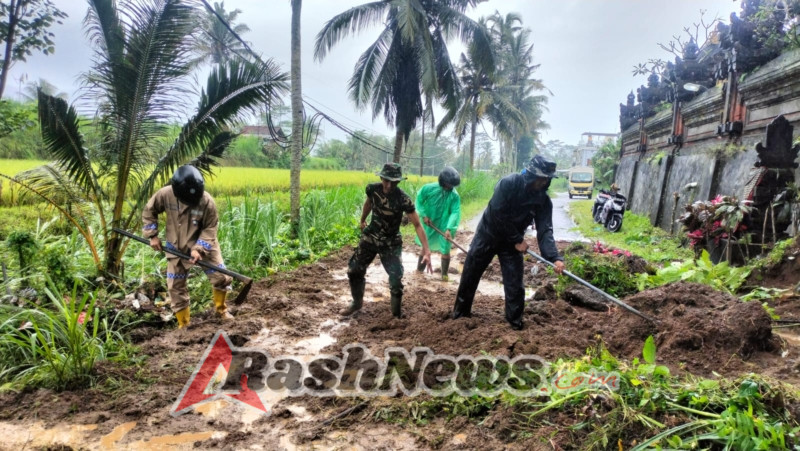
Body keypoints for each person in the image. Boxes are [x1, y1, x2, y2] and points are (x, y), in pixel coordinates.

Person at [452, 155, 566, 330]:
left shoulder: (543, 201)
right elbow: (497, 214)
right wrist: (517, 239)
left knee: (515, 284)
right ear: (531, 175)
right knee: (471, 274)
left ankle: (514, 323)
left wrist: (554, 257)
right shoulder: (509, 183)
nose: (544, 183)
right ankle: (460, 316)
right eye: (541, 178)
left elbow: (545, 231)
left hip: (511, 244)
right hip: (488, 234)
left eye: (547, 180)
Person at [142, 165, 233, 328]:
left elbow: (210, 227)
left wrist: (199, 249)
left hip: (205, 244)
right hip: (176, 246)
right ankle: (184, 325)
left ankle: (221, 311)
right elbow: (149, 211)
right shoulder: (165, 194)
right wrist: (153, 235)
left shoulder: (207, 201)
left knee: (221, 277)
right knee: (175, 286)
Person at [341, 163, 432, 318]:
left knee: (396, 279)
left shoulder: (403, 200)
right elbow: (369, 203)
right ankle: (357, 303)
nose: (389, 185)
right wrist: (363, 219)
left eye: (394, 182)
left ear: (398, 182)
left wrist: (427, 250)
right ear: (381, 178)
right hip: (371, 236)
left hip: (391, 242)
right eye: (386, 181)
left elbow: (417, 224)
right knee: (354, 270)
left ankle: (396, 316)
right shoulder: (372, 189)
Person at [415, 166, 462, 281]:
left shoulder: (454, 196)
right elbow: (419, 201)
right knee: (425, 246)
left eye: (452, 185)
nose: (450, 187)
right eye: (448, 184)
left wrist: (449, 228)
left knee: (445, 249)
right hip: (429, 222)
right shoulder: (428, 189)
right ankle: (419, 272)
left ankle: (444, 276)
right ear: (442, 181)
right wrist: (424, 215)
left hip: (446, 224)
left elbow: (455, 213)